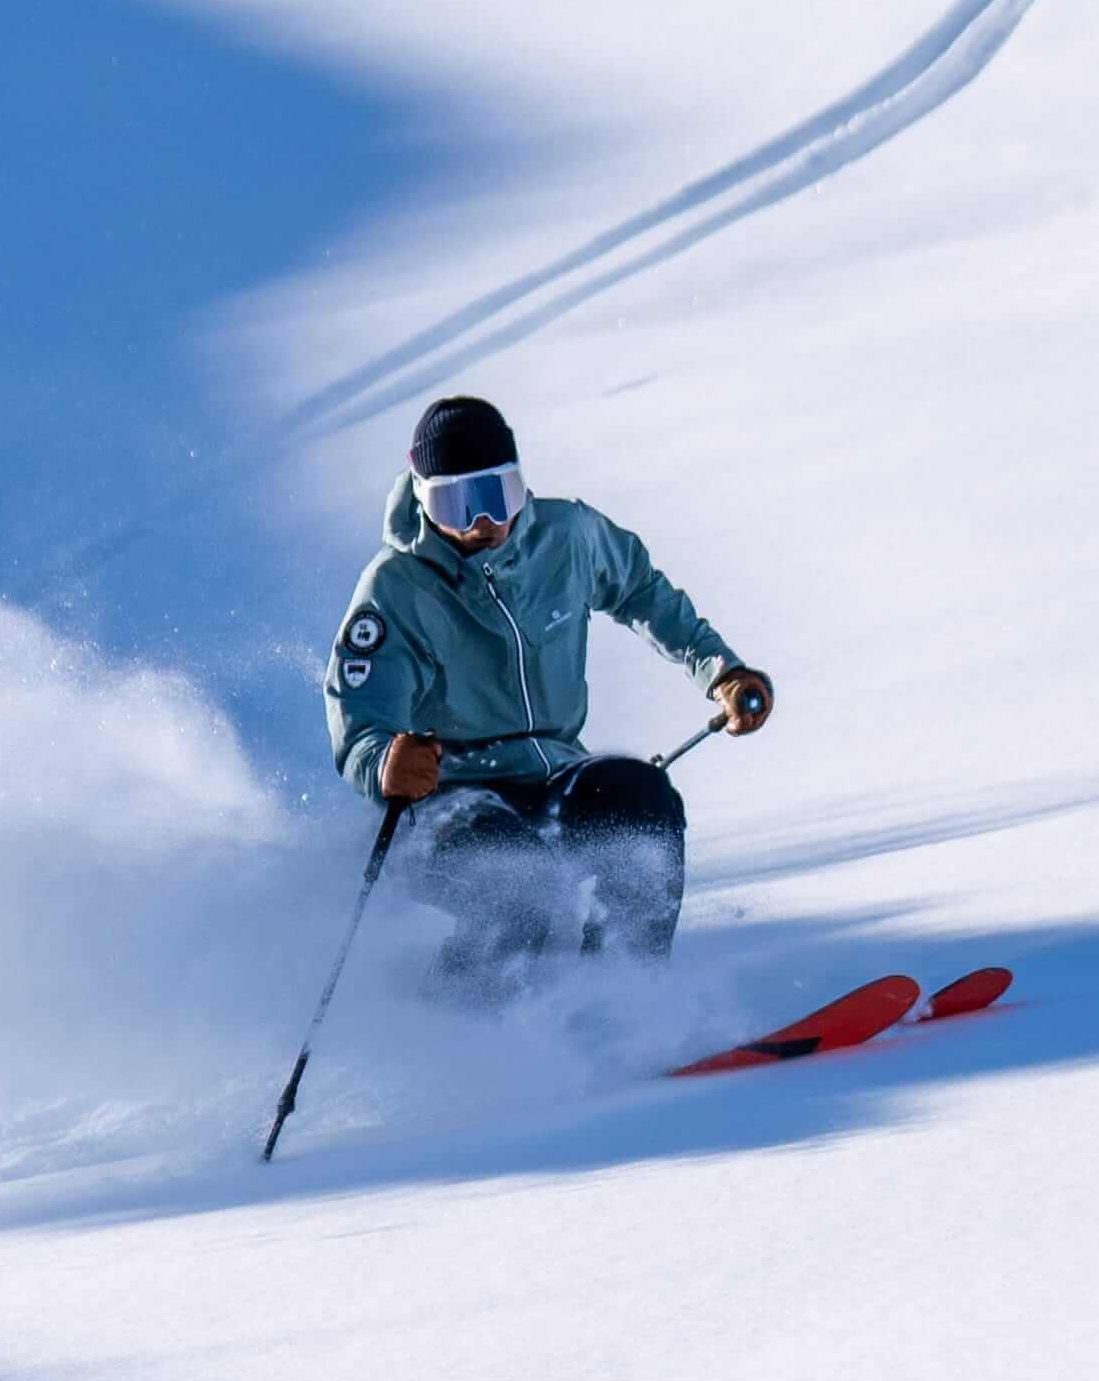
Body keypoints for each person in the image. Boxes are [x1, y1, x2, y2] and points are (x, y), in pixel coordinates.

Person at [321, 393, 771, 966]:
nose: (483, 521)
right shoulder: (395, 588)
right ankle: (462, 1024)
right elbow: (360, 723)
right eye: (456, 504)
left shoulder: (566, 537)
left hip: (552, 774)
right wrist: (386, 762)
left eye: (495, 494)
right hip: (447, 804)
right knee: (519, 887)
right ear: (422, 500)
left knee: (641, 805)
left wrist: (721, 670)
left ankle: (622, 995)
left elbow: (640, 590)